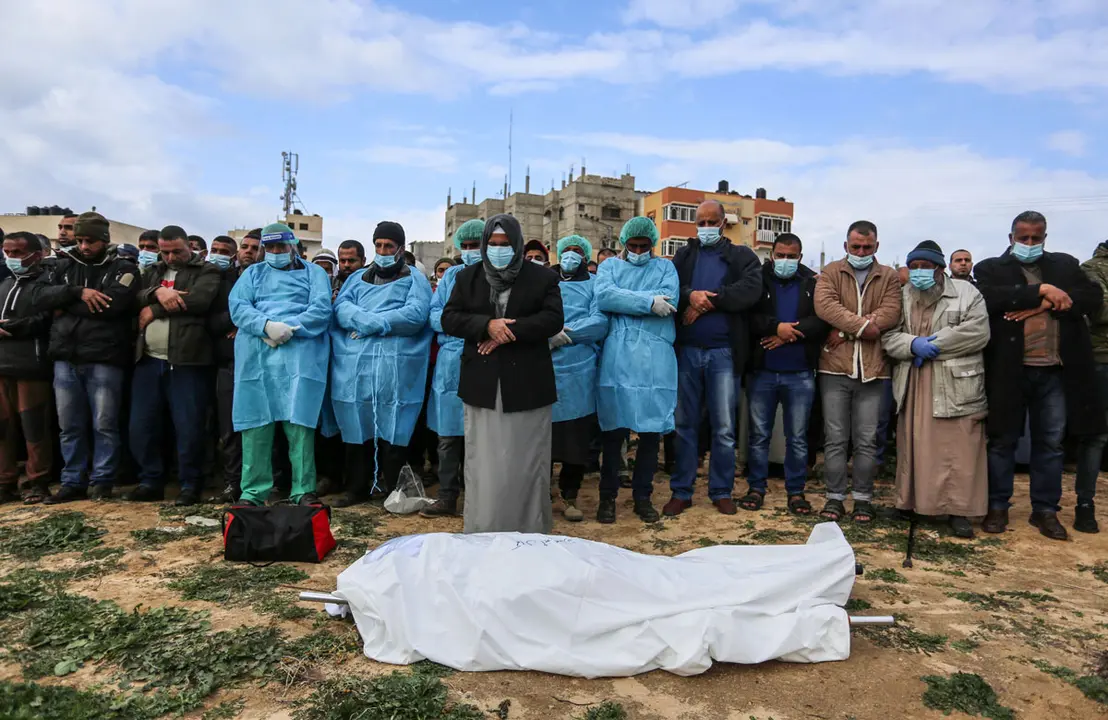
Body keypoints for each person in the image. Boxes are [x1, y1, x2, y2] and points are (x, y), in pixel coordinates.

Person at [976, 211, 1104, 540]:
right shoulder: (991, 268)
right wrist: (1044, 290)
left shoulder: (1066, 265)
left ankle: (1045, 510)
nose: (1030, 244)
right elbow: (991, 298)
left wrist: (1043, 305)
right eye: (1024, 238)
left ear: (1045, 237)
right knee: (1003, 440)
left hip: (1056, 372)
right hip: (1009, 371)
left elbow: (1091, 297)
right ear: (1011, 238)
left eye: (1036, 238)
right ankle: (997, 505)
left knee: (1051, 443)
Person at [441, 214, 563, 533]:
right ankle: (484, 528)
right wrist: (485, 326)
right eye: (492, 244)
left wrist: (508, 332)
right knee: (485, 463)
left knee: (525, 462)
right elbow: (450, 318)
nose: (498, 249)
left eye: (505, 244)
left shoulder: (542, 278)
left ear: (518, 244)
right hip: (482, 383)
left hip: (527, 383)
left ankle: (529, 531)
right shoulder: (468, 277)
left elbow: (552, 320)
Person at [882, 241, 990, 538]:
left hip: (955, 382)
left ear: (940, 269)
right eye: (913, 267)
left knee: (959, 450)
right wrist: (912, 345)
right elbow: (889, 336)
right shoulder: (902, 295)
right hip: (914, 382)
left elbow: (978, 333)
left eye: (925, 267)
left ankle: (958, 511)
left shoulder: (967, 293)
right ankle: (909, 504)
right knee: (913, 446)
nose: (919, 273)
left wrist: (934, 346)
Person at [29, 212, 139, 504]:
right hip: (66, 358)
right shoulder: (60, 265)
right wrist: (78, 292)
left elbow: (113, 306)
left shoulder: (123, 268)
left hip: (104, 358)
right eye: (80, 240)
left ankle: (102, 480)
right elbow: (38, 297)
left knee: (104, 424)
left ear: (104, 239)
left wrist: (65, 303)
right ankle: (72, 481)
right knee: (70, 426)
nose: (84, 246)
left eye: (90, 240)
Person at [667, 200, 762, 516]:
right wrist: (688, 296)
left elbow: (750, 291)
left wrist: (709, 301)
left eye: (712, 221)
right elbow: (669, 287)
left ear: (724, 223)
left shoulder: (742, 256)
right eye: (701, 221)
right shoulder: (684, 255)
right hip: (687, 352)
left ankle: (721, 491)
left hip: (724, 353)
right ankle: (681, 491)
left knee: (724, 427)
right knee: (684, 424)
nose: (705, 227)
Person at [329, 221, 432, 506]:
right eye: (378, 245)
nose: (383, 251)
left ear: (400, 247)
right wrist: (368, 320)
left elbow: (415, 315)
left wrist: (373, 323)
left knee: (394, 427)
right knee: (355, 425)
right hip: (356, 368)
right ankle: (357, 488)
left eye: (389, 246)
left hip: (395, 367)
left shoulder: (415, 280)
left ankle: (393, 490)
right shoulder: (357, 278)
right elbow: (342, 309)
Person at [229, 222, 332, 507]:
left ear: (293, 246)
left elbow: (322, 309)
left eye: (281, 247)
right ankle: (252, 492)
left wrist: (290, 329)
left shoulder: (314, 274)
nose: (276, 252)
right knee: (256, 424)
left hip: (300, 352)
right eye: (270, 247)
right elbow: (238, 306)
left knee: (299, 422)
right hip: (257, 353)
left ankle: (303, 490)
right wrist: (266, 326)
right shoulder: (252, 274)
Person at [123, 225, 221, 506]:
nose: (170, 257)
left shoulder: (207, 271)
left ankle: (190, 484)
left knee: (189, 426)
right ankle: (150, 480)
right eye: (165, 251)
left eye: (176, 251)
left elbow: (200, 300)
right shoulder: (152, 271)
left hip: (188, 361)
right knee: (142, 425)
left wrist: (154, 307)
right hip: (149, 360)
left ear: (188, 246)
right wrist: (157, 292)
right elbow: (133, 297)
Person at [813, 220, 902, 524]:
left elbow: (891, 313)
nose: (861, 251)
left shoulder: (889, 276)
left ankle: (863, 499)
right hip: (835, 369)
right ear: (845, 246)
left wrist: (848, 331)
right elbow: (825, 306)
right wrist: (864, 326)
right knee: (835, 438)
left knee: (867, 440)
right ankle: (835, 497)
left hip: (875, 370)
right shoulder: (831, 272)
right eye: (856, 247)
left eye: (867, 247)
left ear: (876, 246)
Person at [595, 216, 678, 523]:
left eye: (645, 246)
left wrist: (627, 301)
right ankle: (607, 498)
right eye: (634, 246)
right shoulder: (609, 268)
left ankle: (642, 498)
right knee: (614, 434)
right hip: (618, 359)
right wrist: (647, 301)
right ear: (623, 244)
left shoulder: (666, 268)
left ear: (653, 245)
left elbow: (670, 302)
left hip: (655, 362)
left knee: (650, 433)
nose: (639, 251)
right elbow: (604, 296)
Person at [744, 233, 829, 515]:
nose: (785, 261)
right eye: (780, 255)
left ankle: (796, 492)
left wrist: (788, 334)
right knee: (758, 436)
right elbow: (750, 316)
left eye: (792, 256)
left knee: (798, 437)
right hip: (762, 372)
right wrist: (774, 327)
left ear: (800, 257)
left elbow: (822, 319)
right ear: (771, 254)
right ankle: (756, 488)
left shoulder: (812, 283)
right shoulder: (758, 278)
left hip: (800, 373)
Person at [423, 219, 485, 518]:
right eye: (467, 246)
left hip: (485, 358)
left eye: (477, 245)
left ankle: (479, 496)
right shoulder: (451, 277)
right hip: (450, 361)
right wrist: (469, 327)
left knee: (482, 435)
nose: (472, 251)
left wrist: (461, 325)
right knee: (448, 437)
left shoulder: (496, 278)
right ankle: (447, 495)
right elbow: (435, 315)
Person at [550, 234, 608, 522]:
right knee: (542, 439)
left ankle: (569, 495)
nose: (571, 255)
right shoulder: (544, 281)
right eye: (566, 251)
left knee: (575, 439)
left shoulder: (595, 284)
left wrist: (565, 335)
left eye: (577, 251)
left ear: (585, 257)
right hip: (543, 366)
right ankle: (538, 494)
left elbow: (599, 322)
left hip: (580, 368)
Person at [0, 233, 55, 504]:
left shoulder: (47, 284)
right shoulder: (5, 284)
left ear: (37, 254)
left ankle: (38, 481)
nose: (12, 258)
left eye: (18, 253)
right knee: (3, 428)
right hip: (2, 366)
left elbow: (45, 319)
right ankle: (5, 481)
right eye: (7, 252)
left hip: (31, 366)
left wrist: (10, 327)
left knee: (34, 427)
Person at [1076, 241, 1108, 534]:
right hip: (1102, 359)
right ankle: (1085, 504)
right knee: (1096, 435)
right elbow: (1099, 312)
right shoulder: (1093, 268)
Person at [209, 235, 243, 503]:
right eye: (246, 247)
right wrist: (241, 317)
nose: (250, 252)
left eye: (257, 248)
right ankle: (233, 483)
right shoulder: (221, 281)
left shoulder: (269, 281)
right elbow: (211, 320)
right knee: (228, 429)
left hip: (262, 363)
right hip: (228, 362)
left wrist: (248, 324)